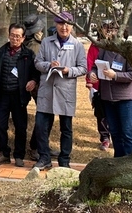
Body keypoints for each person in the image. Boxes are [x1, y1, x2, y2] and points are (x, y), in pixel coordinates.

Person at [33, 12, 87, 169]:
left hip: (65, 90)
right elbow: (38, 62)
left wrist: (68, 70)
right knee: (41, 126)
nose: (64, 27)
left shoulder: (77, 45)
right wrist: (49, 65)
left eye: (68, 24)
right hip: (47, 89)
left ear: (72, 26)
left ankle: (64, 160)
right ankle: (44, 157)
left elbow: (83, 68)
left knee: (66, 128)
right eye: (61, 23)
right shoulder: (46, 42)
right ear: (55, 25)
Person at [0, 23, 38, 168]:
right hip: (2, 95)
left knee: (20, 127)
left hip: (19, 96)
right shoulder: (1, 52)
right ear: (9, 35)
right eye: (12, 35)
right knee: (0, 125)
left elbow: (35, 74)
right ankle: (3, 153)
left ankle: (19, 155)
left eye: (18, 36)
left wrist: (33, 81)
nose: (14, 38)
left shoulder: (28, 55)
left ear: (23, 38)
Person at [89, 22, 132, 158]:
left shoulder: (129, 50)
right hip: (107, 98)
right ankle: (118, 160)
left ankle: (131, 162)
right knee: (114, 132)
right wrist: (91, 74)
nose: (111, 33)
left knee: (127, 132)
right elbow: (94, 66)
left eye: (115, 30)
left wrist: (115, 75)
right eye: (109, 30)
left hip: (125, 99)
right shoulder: (104, 49)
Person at [85, 21, 113, 151]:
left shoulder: (118, 46)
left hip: (115, 85)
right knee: (101, 113)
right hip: (98, 84)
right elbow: (90, 63)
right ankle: (105, 138)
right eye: (105, 29)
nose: (108, 32)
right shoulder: (95, 46)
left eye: (111, 29)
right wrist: (89, 79)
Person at [23, 14, 47, 161]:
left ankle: (41, 145)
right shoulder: (34, 45)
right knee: (43, 117)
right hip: (38, 85)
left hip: (38, 84)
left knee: (45, 116)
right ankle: (36, 147)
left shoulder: (34, 42)